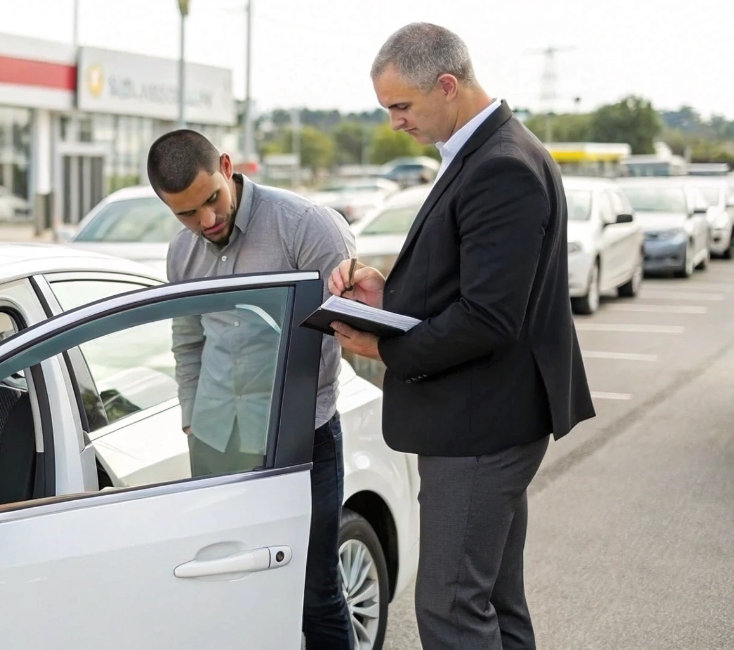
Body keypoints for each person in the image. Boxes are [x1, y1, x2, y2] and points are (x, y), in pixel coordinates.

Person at [328, 23, 595, 650]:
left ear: (447, 86)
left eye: (401, 106)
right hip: (486, 418)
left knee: (450, 609)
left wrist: (385, 347)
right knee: (494, 606)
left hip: (481, 426)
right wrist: (384, 296)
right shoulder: (487, 152)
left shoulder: (502, 166)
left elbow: (489, 318)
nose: (395, 122)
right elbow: (470, 284)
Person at [148, 129, 356, 649]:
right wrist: (193, 419)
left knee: (314, 592)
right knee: (225, 589)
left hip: (300, 440)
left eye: (211, 200)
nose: (206, 222)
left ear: (226, 165)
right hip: (217, 439)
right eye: (186, 215)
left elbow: (344, 331)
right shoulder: (181, 254)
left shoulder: (305, 227)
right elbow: (188, 340)